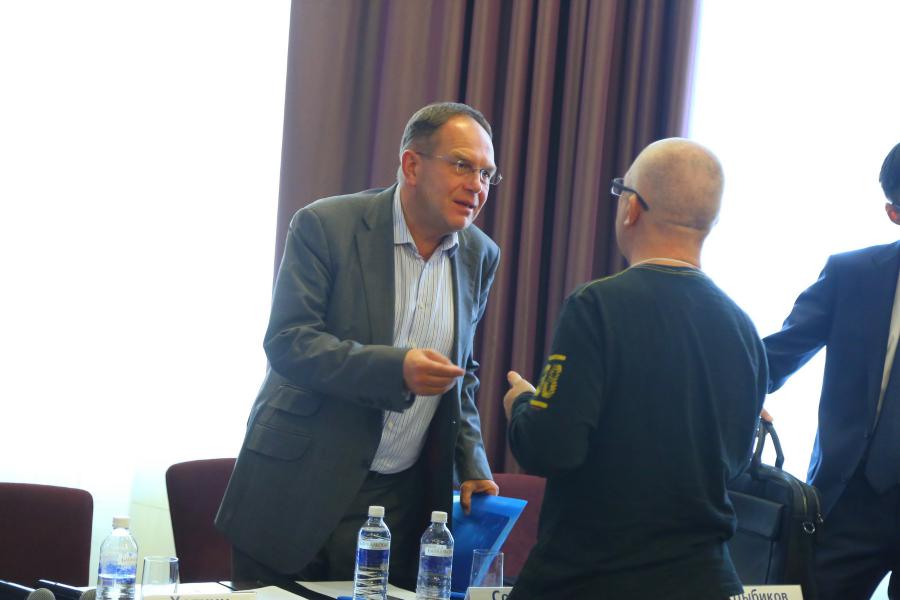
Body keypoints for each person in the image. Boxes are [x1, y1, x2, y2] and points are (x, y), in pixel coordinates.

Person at [215, 102, 502, 588]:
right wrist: (396, 370)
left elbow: (462, 371)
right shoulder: (326, 225)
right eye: (461, 165)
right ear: (412, 165)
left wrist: (471, 461)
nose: (477, 185)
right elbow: (289, 341)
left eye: (487, 173)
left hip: (396, 502)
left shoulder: (480, 254)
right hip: (297, 486)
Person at [503, 138, 767, 599]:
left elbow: (550, 447)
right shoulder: (743, 328)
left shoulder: (596, 307)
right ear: (711, 222)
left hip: (593, 576)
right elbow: (735, 463)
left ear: (631, 208)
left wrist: (522, 404)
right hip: (707, 580)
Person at [763, 142, 900, 599]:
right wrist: (735, 390)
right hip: (846, 500)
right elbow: (776, 356)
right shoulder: (851, 275)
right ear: (894, 213)